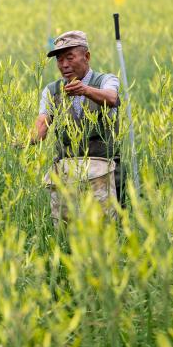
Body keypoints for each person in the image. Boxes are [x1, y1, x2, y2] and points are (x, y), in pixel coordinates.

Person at [30, 30, 123, 221]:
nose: (64, 65)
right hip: (66, 175)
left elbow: (112, 98)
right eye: (59, 60)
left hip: (103, 173)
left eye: (70, 58)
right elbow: (41, 127)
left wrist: (86, 90)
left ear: (86, 57)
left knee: (104, 232)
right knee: (66, 232)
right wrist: (23, 139)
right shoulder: (52, 90)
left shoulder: (106, 80)